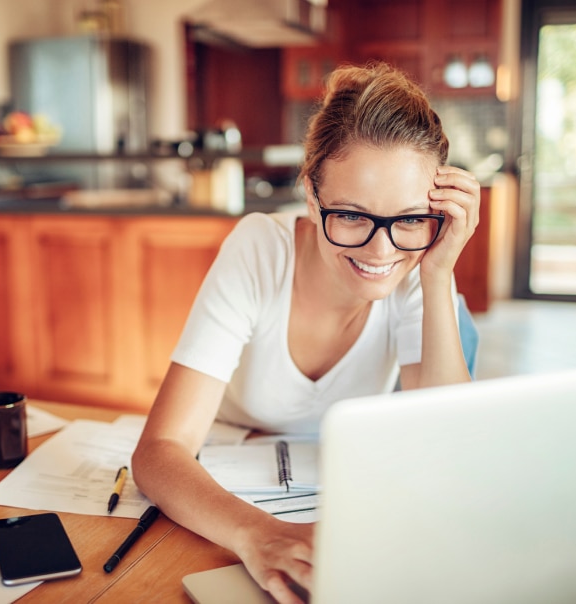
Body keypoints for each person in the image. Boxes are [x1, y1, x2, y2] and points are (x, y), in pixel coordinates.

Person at [131, 61, 480, 603]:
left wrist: (438, 272)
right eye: (351, 215)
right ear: (311, 197)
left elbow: (452, 449)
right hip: (226, 499)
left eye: (409, 218)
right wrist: (259, 536)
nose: (380, 251)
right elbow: (159, 450)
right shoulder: (259, 250)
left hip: (341, 502)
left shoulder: (417, 262)